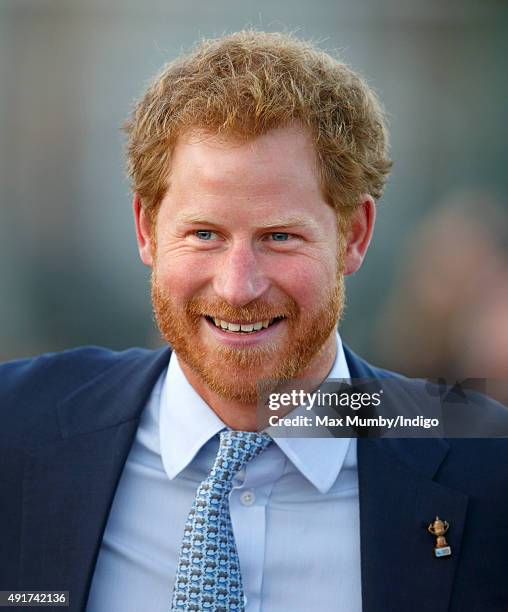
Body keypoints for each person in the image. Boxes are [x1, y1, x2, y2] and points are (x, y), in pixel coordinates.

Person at [1, 30, 507, 612]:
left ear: (354, 235)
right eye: (204, 234)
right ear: (146, 230)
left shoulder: (485, 459)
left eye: (280, 237)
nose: (238, 286)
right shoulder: (16, 428)